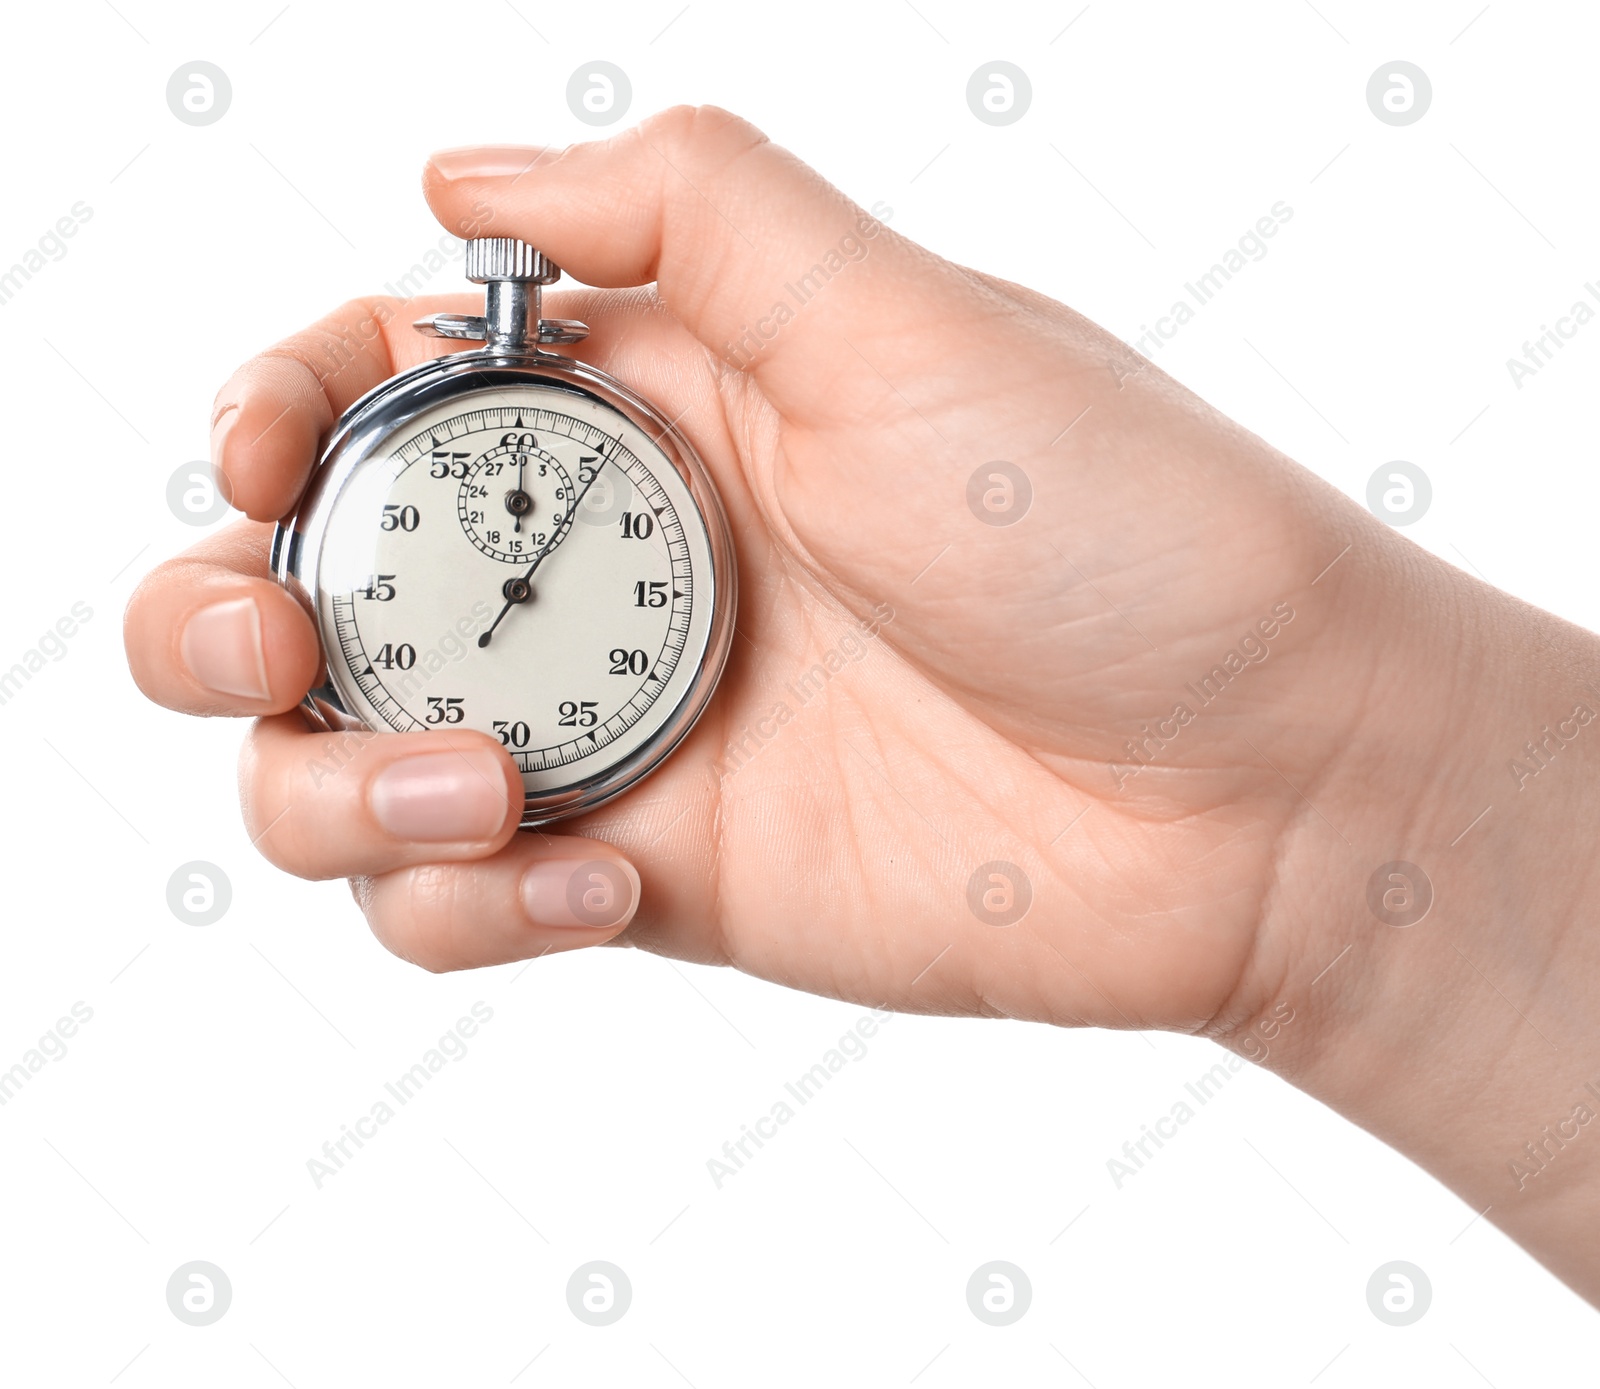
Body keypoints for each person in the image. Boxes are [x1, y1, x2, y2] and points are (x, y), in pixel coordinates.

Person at [123, 106, 1600, 1305]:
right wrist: (1349, 816)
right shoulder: (498, 466)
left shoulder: (665, 469)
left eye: (544, 560)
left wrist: (1335, 789)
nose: (515, 591)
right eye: (500, 580)